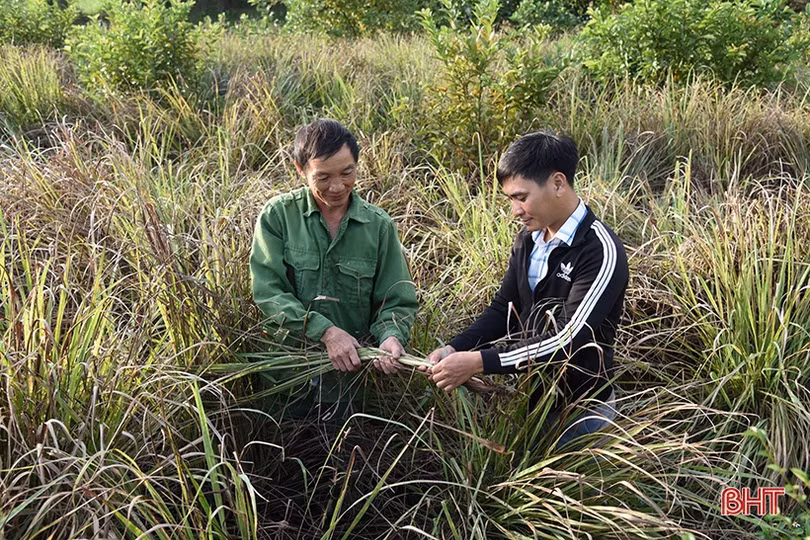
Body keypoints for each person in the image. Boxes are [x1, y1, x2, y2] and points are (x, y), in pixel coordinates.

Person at [423, 130, 629, 448]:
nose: (516, 210)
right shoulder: (529, 239)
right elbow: (505, 308)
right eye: (511, 200)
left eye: (522, 197)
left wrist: (478, 362)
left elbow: (568, 339)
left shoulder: (599, 250)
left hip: (582, 412)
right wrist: (455, 348)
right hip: (529, 402)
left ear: (558, 183)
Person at [250, 119, 418, 416]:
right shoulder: (278, 217)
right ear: (300, 170)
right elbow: (269, 292)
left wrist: (391, 335)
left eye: (347, 173)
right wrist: (326, 332)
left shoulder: (378, 227)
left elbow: (395, 299)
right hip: (287, 379)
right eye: (323, 177)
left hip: (350, 383)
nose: (337, 186)